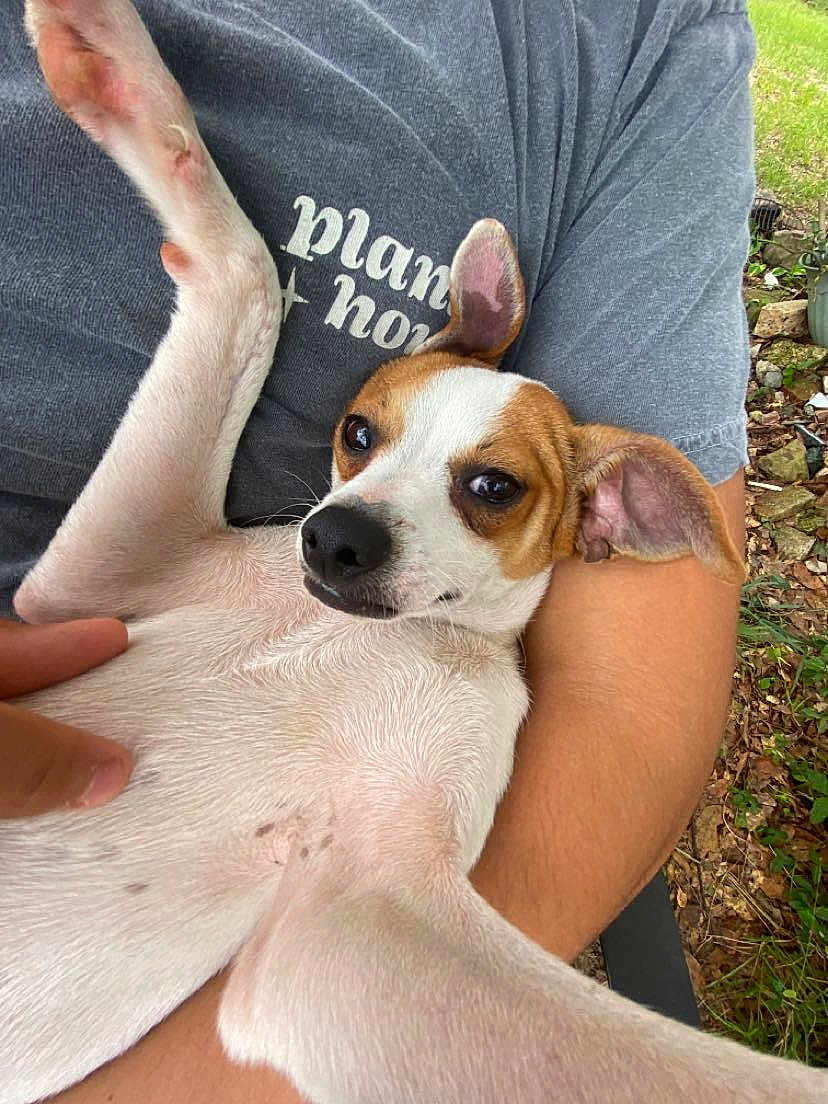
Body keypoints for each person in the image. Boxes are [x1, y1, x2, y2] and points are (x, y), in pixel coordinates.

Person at [0, 0, 752, 1099]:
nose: (355, 512)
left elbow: (336, 977)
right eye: (363, 441)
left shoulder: (464, 708)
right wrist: (230, 278)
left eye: (487, 489)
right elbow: (90, 591)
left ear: (606, 516)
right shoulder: (283, 564)